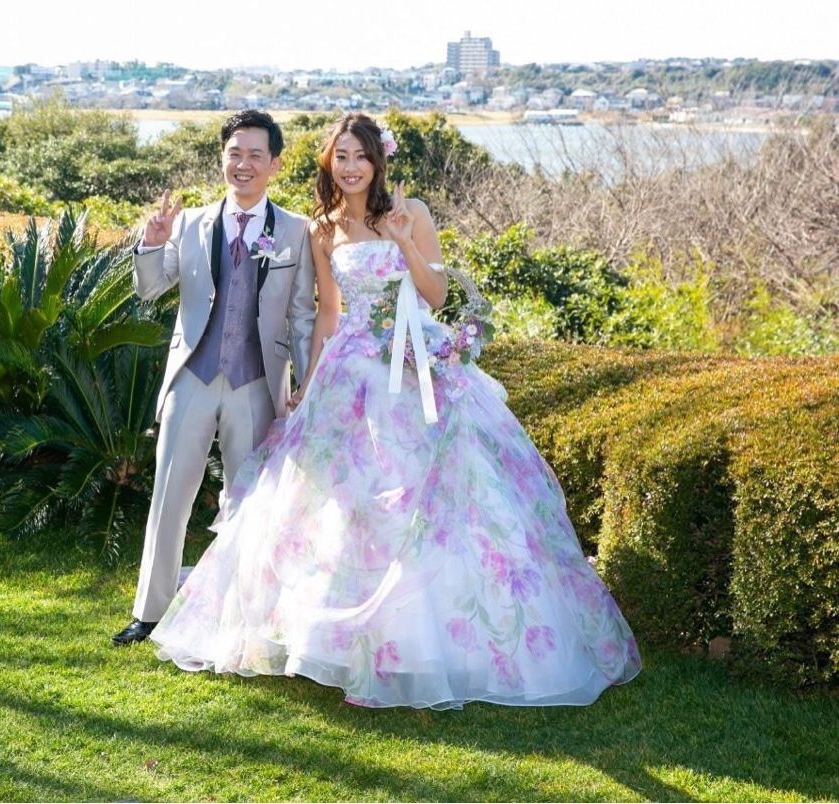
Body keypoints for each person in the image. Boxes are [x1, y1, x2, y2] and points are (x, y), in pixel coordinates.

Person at [149, 113, 641, 709]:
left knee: (426, 502)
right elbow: (328, 315)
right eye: (341, 157)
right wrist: (309, 381)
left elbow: (437, 295)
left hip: (413, 368)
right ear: (329, 163)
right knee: (344, 506)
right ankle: (338, 642)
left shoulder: (413, 213)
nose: (350, 167)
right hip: (349, 373)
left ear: (378, 161)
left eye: (360, 156)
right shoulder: (323, 228)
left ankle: (421, 645)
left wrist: (406, 240)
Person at [112, 110, 317, 646]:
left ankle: (244, 618)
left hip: (258, 386)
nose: (243, 164)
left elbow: (302, 316)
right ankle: (149, 612)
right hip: (193, 379)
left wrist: (308, 383)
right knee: (169, 498)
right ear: (222, 158)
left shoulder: (296, 231)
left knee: (249, 507)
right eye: (234, 154)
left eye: (255, 155)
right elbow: (150, 289)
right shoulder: (188, 223)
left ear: (274, 163)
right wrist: (151, 243)